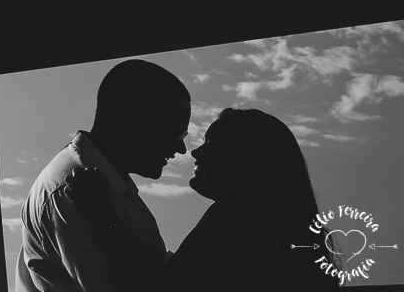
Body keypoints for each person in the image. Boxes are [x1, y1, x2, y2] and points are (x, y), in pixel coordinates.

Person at [67, 107, 341, 291]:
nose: (195, 153)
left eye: (212, 144)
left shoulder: (236, 220)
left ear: (248, 158)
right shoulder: (266, 228)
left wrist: (104, 219)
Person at [14, 59, 191, 291]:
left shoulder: (103, 183)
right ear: (133, 117)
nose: (181, 149)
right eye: (175, 132)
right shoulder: (72, 190)